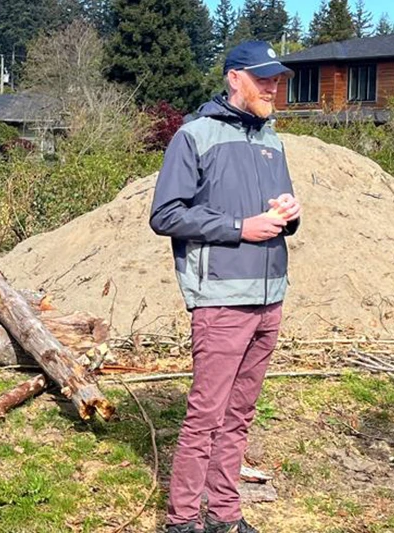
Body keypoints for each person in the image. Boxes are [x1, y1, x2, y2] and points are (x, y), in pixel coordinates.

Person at [149, 41, 301, 533]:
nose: (273, 87)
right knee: (205, 419)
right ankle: (182, 520)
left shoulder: (272, 140)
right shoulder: (194, 136)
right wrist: (240, 227)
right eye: (263, 79)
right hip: (220, 299)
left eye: (277, 79)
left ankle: (225, 515)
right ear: (234, 78)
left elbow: (274, 215)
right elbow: (166, 214)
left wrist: (288, 216)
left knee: (239, 415)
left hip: (269, 296)